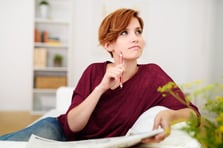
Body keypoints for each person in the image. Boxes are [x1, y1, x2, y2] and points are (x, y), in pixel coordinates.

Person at [0, 8, 199, 143]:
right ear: (108, 44)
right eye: (124, 33)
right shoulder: (94, 71)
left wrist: (171, 114)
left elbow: (194, 114)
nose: (135, 38)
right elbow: (71, 126)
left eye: (138, 31)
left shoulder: (153, 75)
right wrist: (101, 88)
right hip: (61, 132)